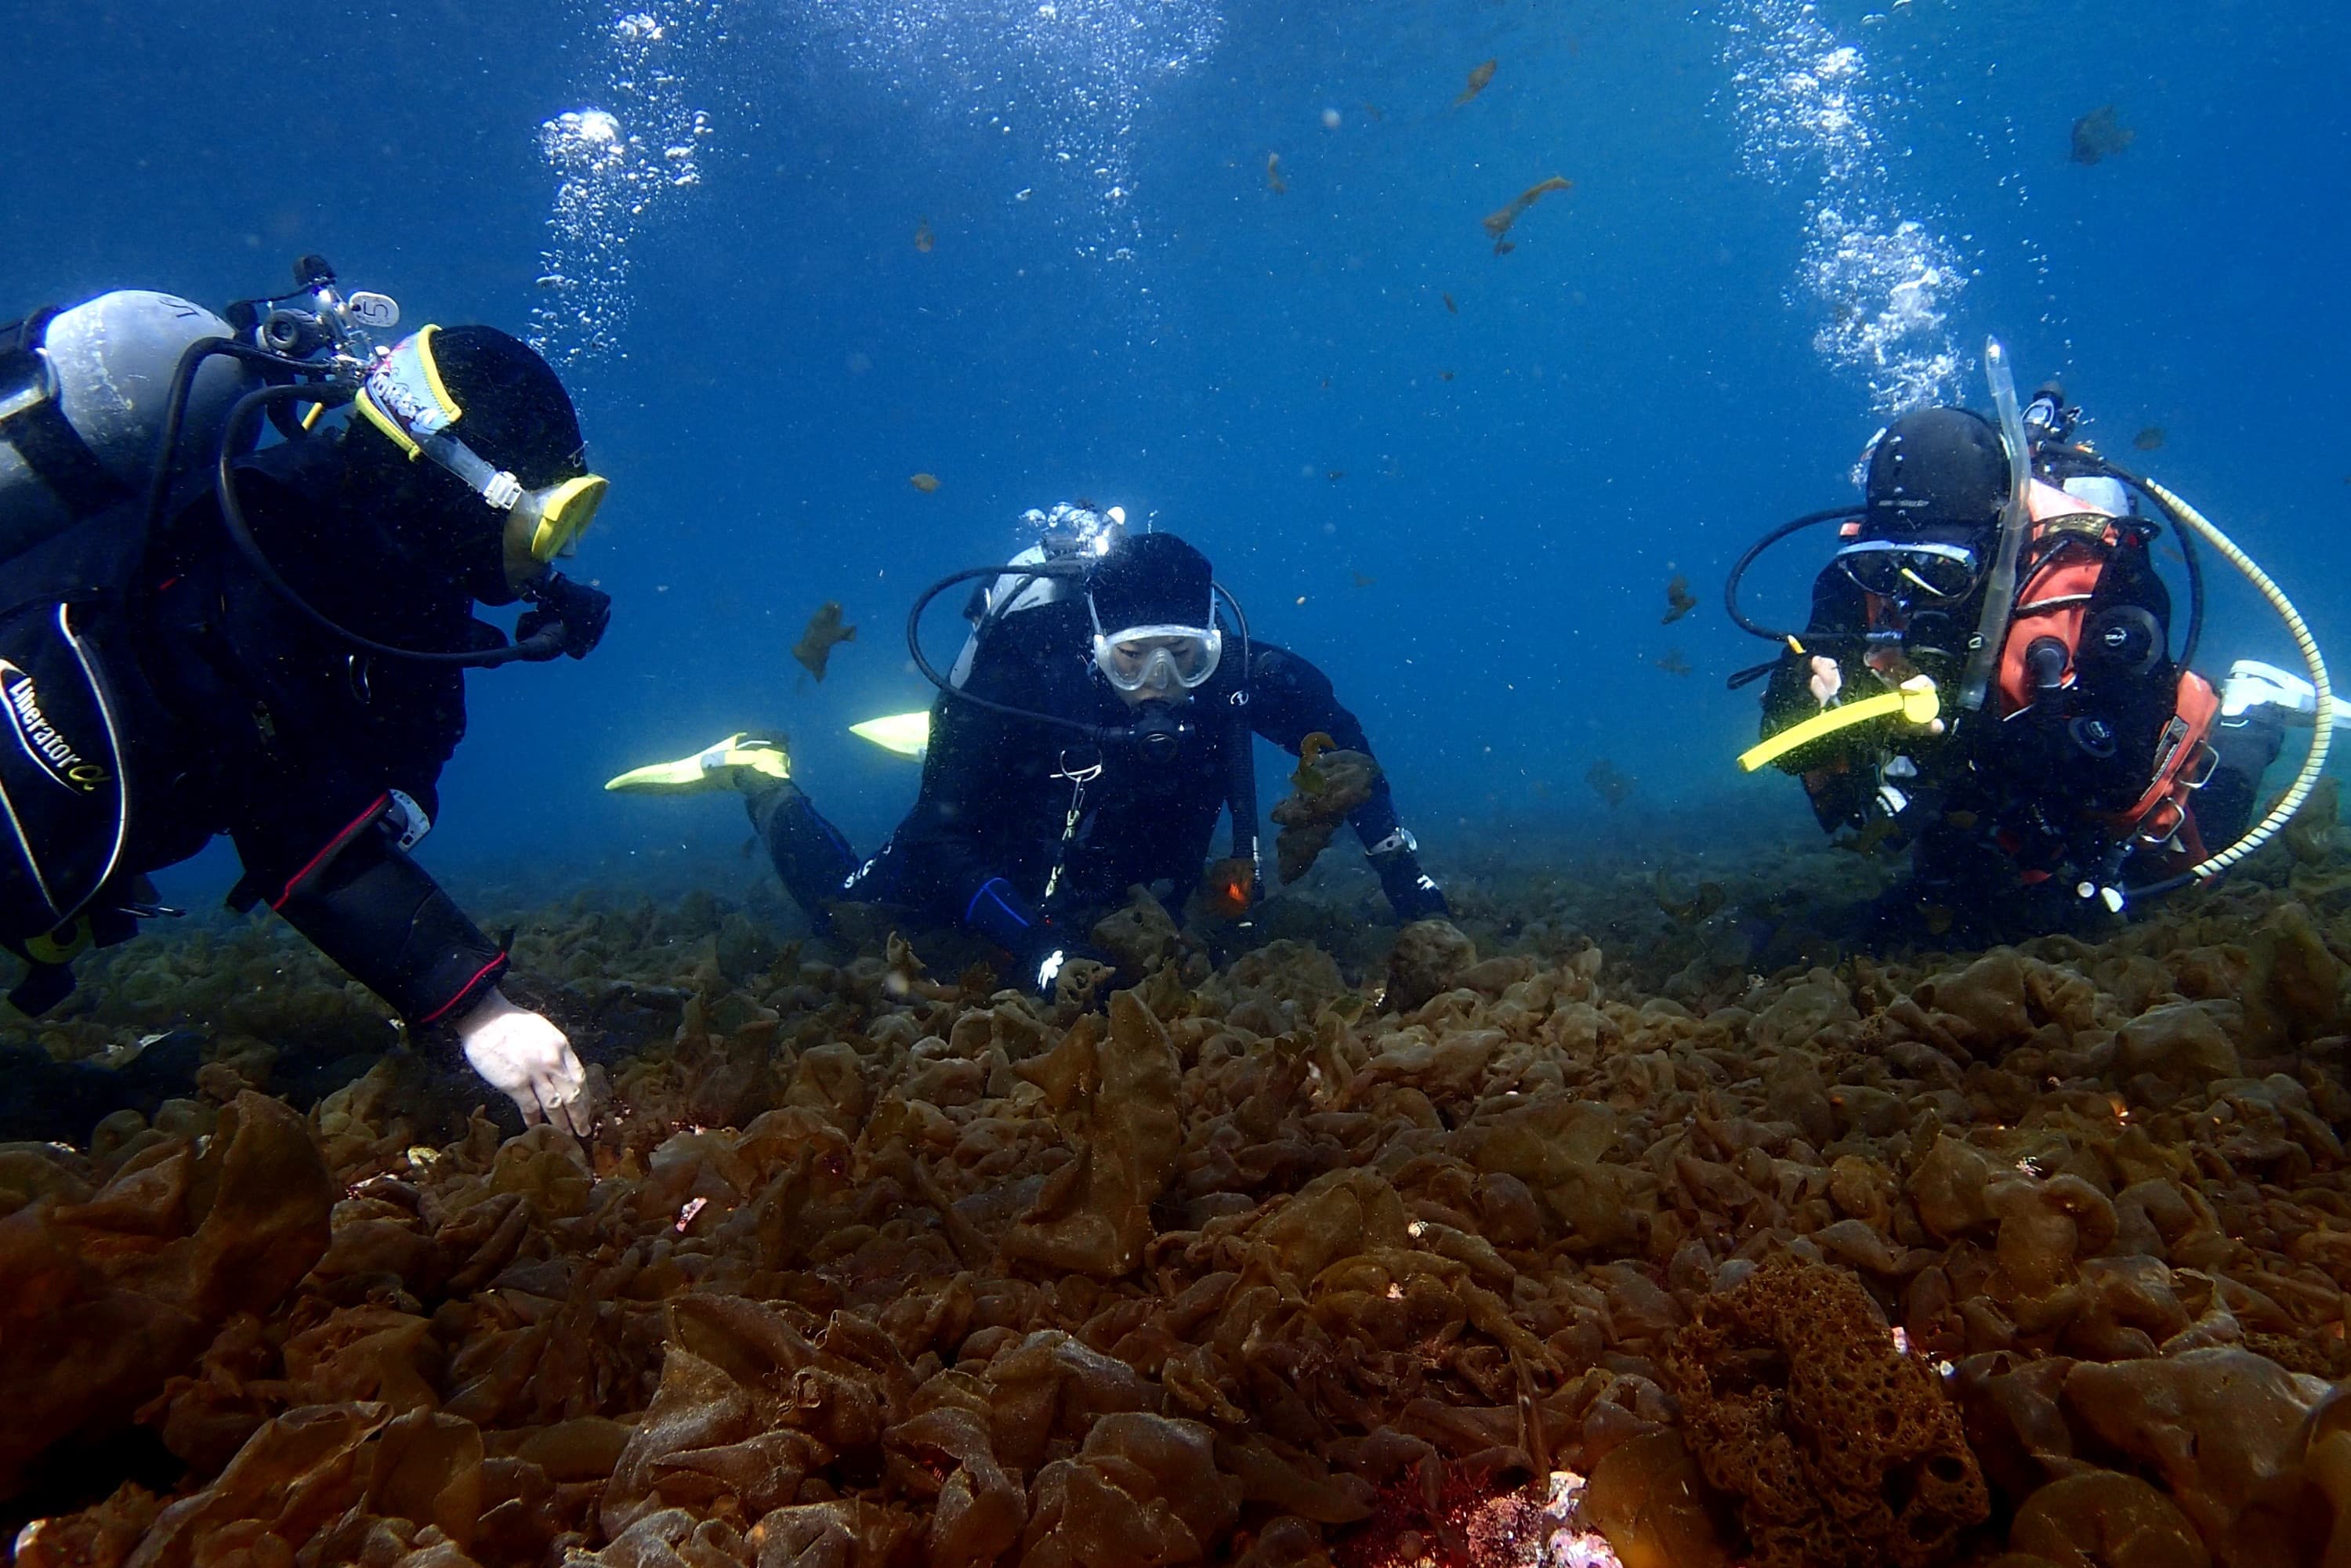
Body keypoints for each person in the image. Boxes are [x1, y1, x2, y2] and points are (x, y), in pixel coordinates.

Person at [0, 269, 613, 1132]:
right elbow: (290, 815)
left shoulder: (398, 570)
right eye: (551, 520)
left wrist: (400, 809)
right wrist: (481, 1012)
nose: (557, 553)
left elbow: (411, 734)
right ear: (457, 482)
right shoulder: (265, 540)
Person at [609, 515, 1448, 990]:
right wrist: (1036, 946)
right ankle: (763, 773)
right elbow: (942, 840)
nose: (1160, 683)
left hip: (1119, 851)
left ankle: (963, 762)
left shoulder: (1244, 675)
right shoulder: (1023, 669)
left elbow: (1348, 758)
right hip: (1003, 822)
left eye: (1183, 658)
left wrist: (1411, 886)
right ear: (1093, 644)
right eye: (1132, 660)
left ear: (1213, 641)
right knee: (848, 911)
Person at [1750, 398, 2313, 943]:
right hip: (1978, 787)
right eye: (1888, 564)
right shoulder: (1858, 579)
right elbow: (1789, 749)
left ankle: (2248, 714)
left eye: (1939, 570)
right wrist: (1805, 698)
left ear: (1997, 544)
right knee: (1953, 906)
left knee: (2182, 873)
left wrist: (1953, 740)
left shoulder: (2097, 573)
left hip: (2081, 776)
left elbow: (2118, 773)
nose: (1912, 594)